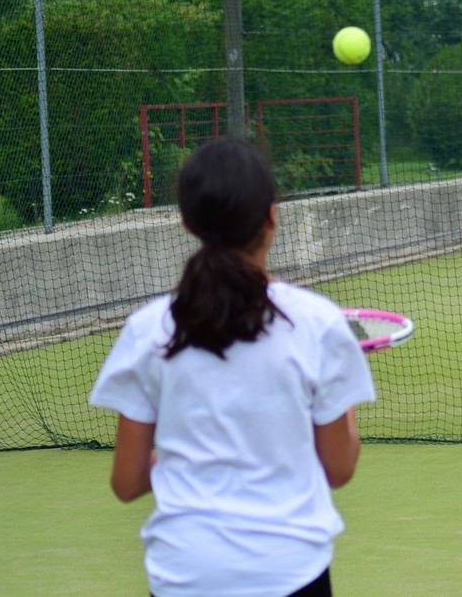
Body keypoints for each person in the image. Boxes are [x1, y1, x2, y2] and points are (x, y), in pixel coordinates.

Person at [89, 138, 375, 597]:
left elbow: (127, 483)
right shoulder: (319, 324)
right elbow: (338, 468)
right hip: (291, 573)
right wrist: (342, 398)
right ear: (271, 217)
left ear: (186, 221)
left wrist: (184, 452)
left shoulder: (146, 329)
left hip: (183, 575)